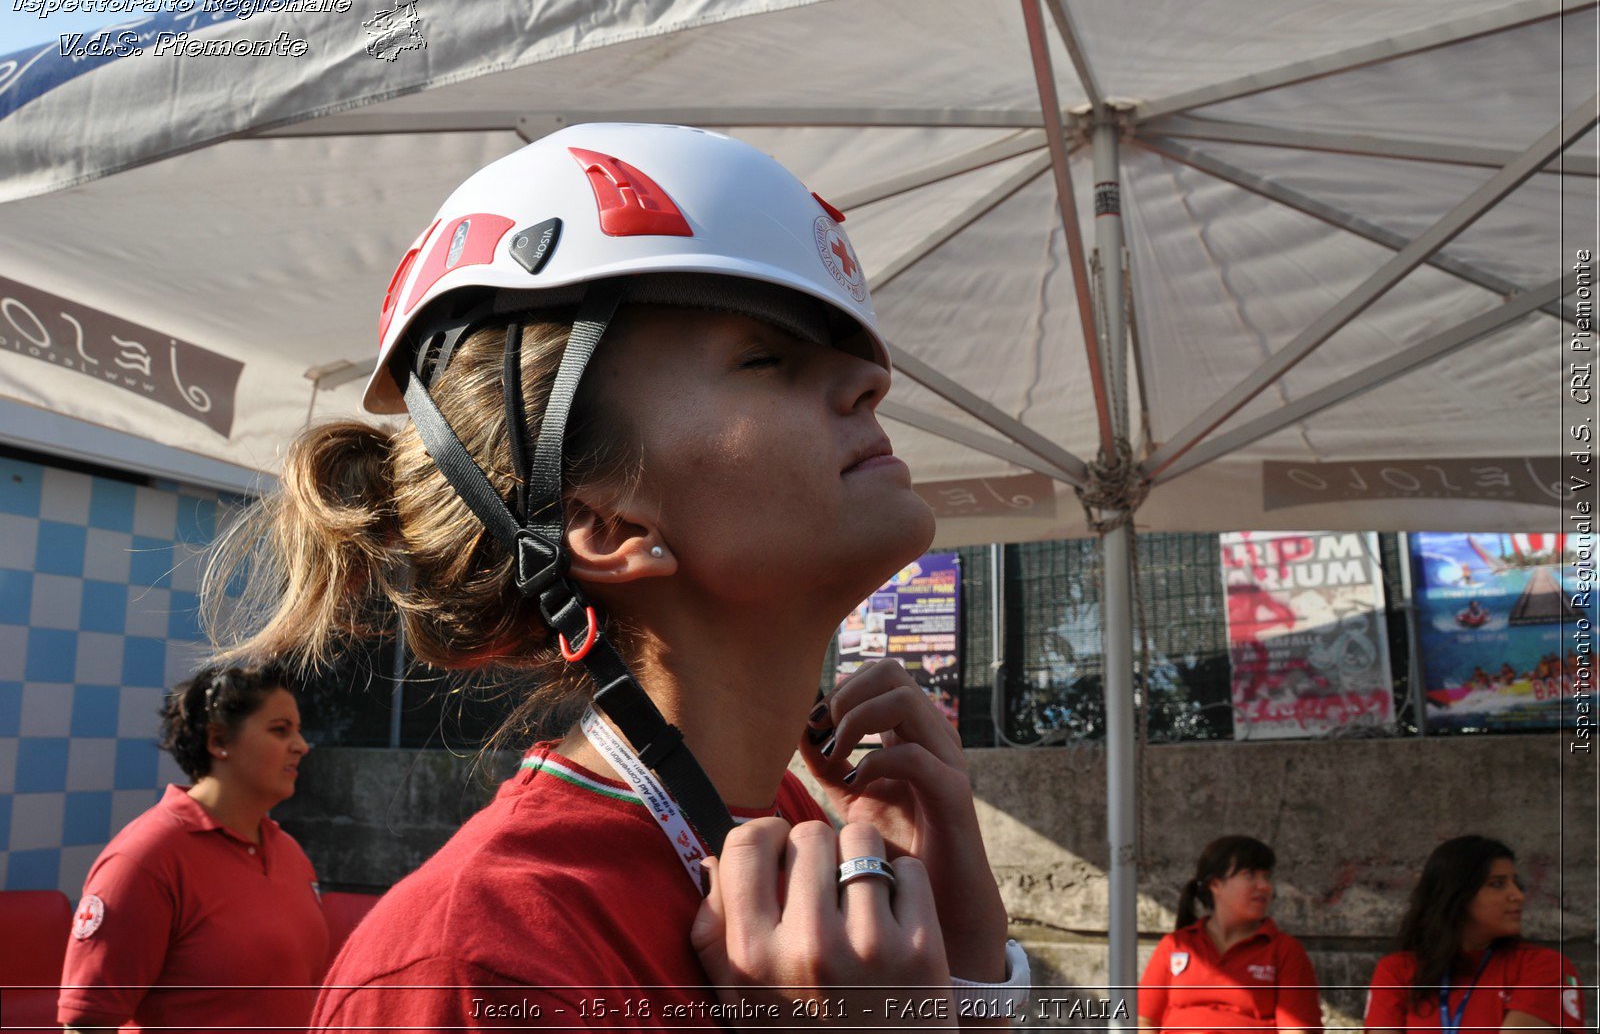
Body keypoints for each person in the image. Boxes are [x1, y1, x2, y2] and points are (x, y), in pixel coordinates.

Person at [202, 123, 1028, 1028]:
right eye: (766, 359)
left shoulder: (811, 830)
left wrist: (968, 963)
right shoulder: (474, 965)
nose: (872, 377)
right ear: (608, 523)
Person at [57, 664, 325, 1033]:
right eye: (280, 730)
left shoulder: (289, 852)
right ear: (218, 741)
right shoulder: (145, 859)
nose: (301, 745)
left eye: (297, 730)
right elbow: (87, 1024)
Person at [1365, 835, 1586, 1033]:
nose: (1518, 896)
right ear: (1456, 896)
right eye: (1497, 884)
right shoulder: (1397, 971)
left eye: (1516, 883)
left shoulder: (1544, 967)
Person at [1138, 835, 1321, 1034]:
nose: (1264, 886)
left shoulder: (1284, 950)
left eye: (1266, 877)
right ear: (1215, 885)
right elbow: (1144, 1021)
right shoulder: (1175, 945)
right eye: (1250, 875)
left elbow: (1297, 1030)